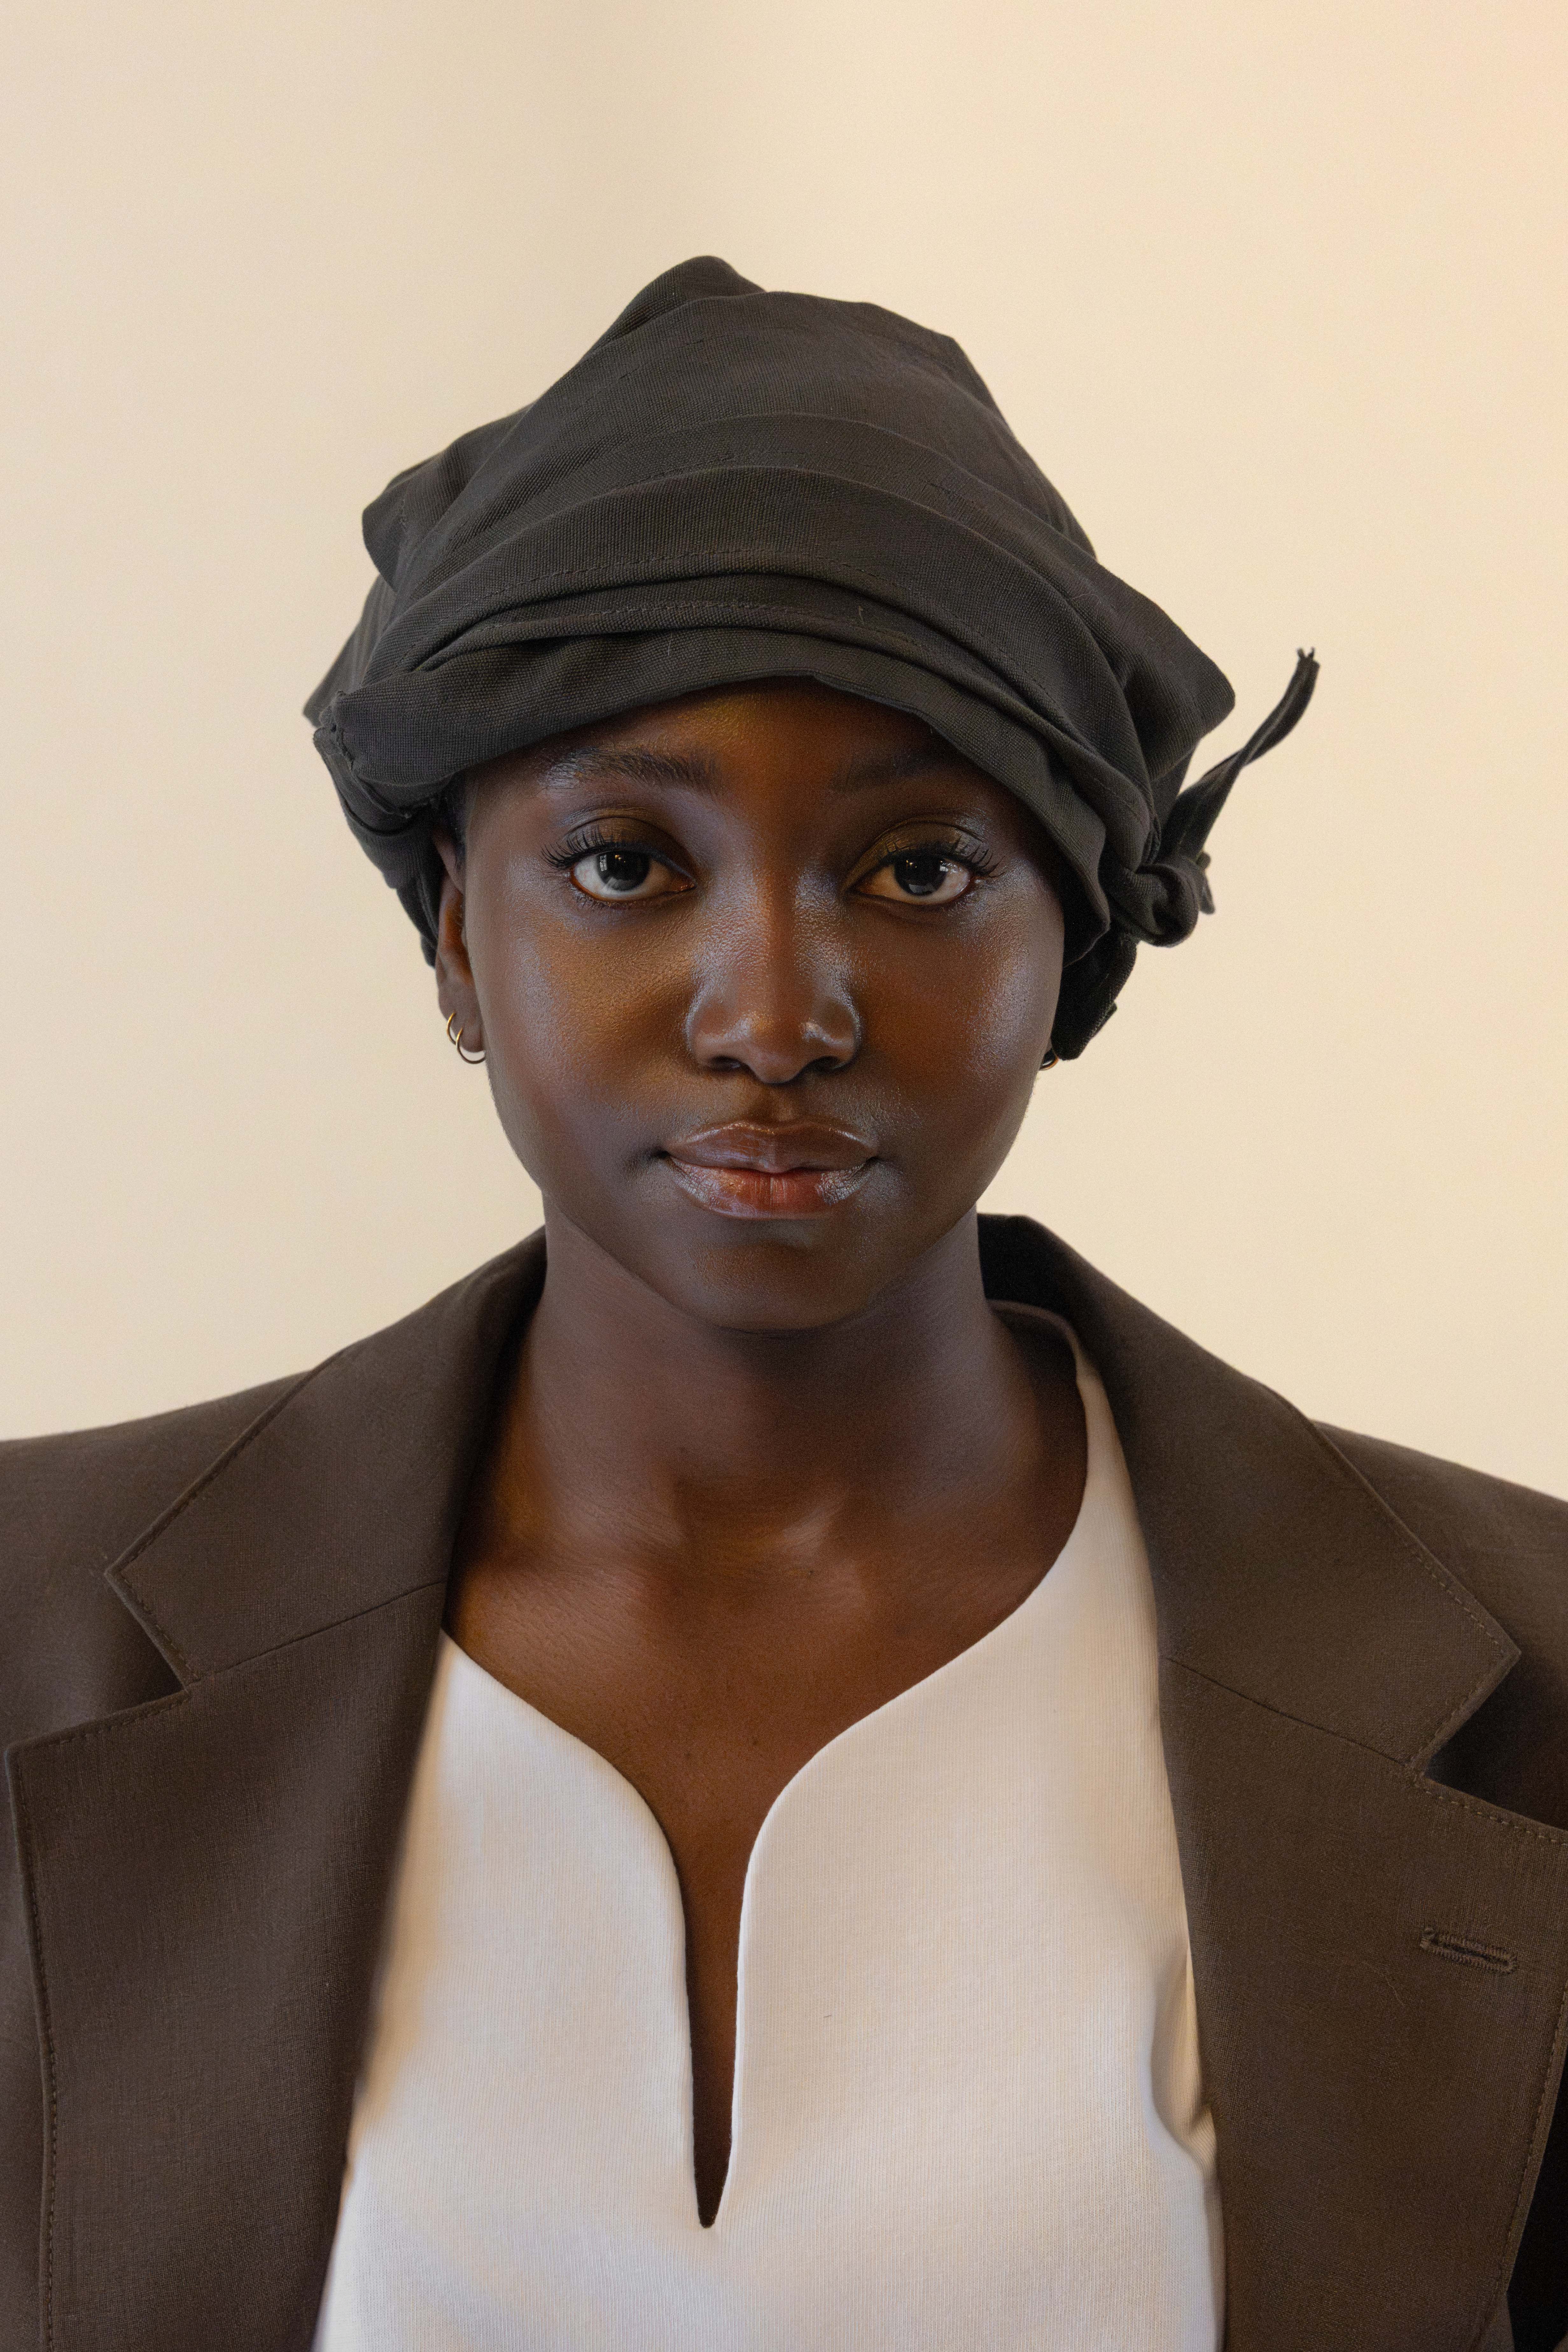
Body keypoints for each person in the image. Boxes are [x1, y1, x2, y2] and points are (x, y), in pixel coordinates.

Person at [2, 258, 1564, 2352]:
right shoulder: (33, 1634)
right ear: (456, 938)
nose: (774, 1013)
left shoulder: (1532, 1682)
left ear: (1077, 941)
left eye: (918, 870)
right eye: (628, 864)